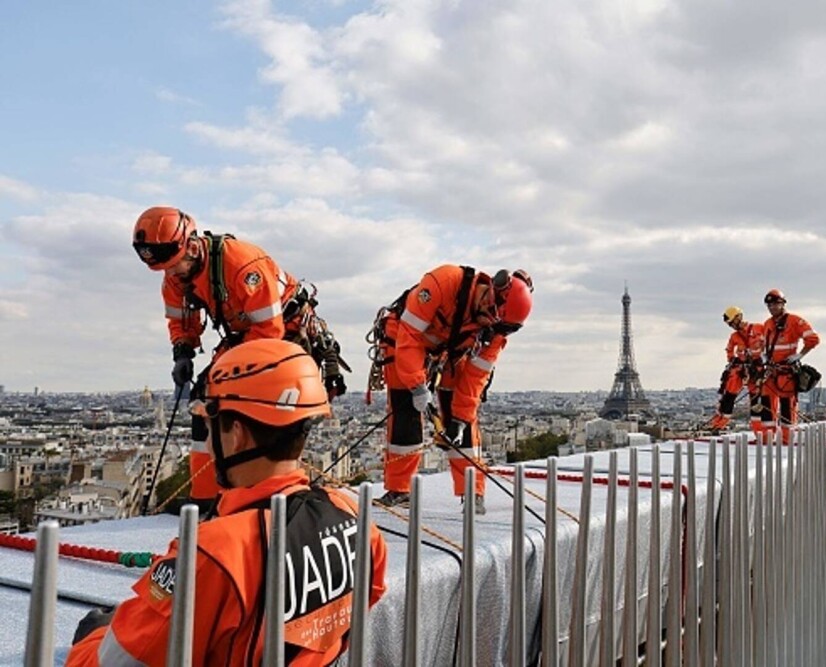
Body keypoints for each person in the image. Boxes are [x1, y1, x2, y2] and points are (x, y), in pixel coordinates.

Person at [66, 339, 387, 666]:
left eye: (210, 426)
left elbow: (118, 663)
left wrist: (93, 635)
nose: (207, 441)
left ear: (236, 434)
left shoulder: (213, 553)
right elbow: (365, 599)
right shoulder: (353, 516)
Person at [132, 206, 348, 510]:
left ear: (192, 246)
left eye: (175, 264)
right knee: (205, 404)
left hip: (284, 330)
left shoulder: (244, 265)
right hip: (249, 336)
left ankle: (257, 493)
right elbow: (182, 322)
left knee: (258, 412)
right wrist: (182, 352)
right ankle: (207, 498)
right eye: (165, 267)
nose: (171, 273)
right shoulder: (175, 277)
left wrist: (221, 370)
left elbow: (269, 332)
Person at [368, 265, 533, 515]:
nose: (488, 327)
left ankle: (473, 491)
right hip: (403, 338)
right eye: (489, 320)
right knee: (405, 410)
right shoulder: (444, 282)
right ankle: (399, 489)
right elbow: (409, 335)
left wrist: (459, 419)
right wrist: (416, 384)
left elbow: (475, 377)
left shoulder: (495, 332)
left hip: (451, 351)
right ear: (490, 295)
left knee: (462, 423)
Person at [760, 289, 820, 443]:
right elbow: (763, 344)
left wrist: (800, 355)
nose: (772, 308)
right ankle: (767, 438)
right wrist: (764, 355)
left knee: (787, 406)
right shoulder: (768, 324)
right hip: (771, 371)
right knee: (767, 406)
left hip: (786, 372)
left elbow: (813, 338)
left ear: (782, 304)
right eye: (770, 305)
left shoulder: (794, 321)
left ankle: (787, 439)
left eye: (775, 304)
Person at [708, 305, 765, 435]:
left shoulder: (758, 328)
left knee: (756, 400)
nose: (732, 325)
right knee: (728, 396)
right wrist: (733, 360)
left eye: (733, 322)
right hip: (741, 369)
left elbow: (769, 342)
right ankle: (718, 426)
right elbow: (729, 351)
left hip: (756, 369)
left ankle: (759, 431)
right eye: (730, 324)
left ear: (739, 317)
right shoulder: (734, 336)